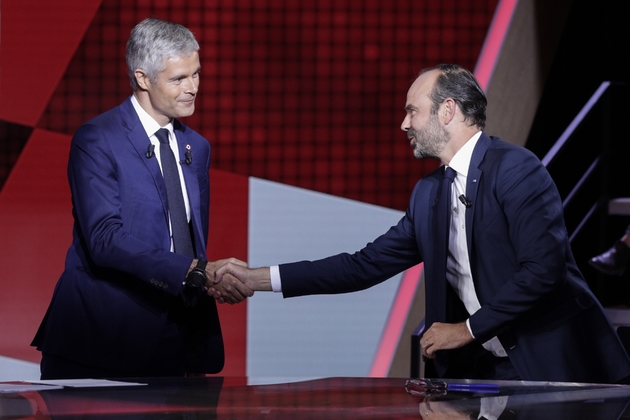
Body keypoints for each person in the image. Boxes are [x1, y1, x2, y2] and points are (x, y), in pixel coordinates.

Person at [214, 64, 630, 383]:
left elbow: (543, 272)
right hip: (491, 373)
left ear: (448, 110)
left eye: (412, 110)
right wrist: (256, 278)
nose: (404, 124)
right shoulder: (429, 193)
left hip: (558, 367)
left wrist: (466, 329)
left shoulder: (517, 169)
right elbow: (362, 266)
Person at [31, 18, 253, 379]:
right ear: (143, 78)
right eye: (178, 79)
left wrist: (205, 278)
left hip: (182, 339)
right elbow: (104, 239)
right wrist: (193, 271)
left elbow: (190, 241)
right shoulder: (97, 139)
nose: (193, 87)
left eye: (196, 74)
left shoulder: (197, 147)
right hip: (105, 338)